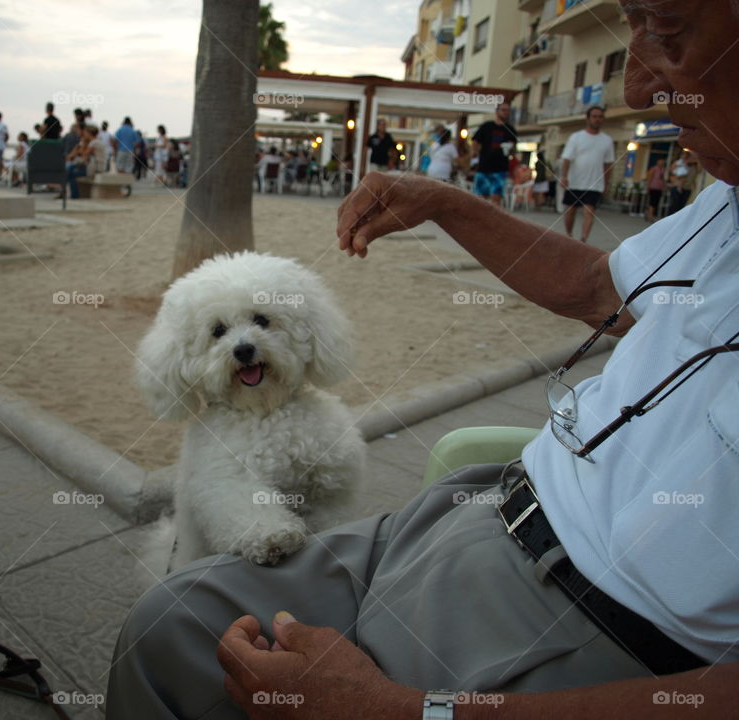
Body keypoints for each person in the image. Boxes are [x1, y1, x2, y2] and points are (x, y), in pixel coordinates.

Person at [106, 2, 739, 717]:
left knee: (195, 653)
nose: (637, 90)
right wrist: (445, 204)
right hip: (477, 507)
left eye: (669, 31)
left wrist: (409, 712)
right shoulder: (724, 203)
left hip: (598, 629)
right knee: (163, 623)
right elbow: (604, 289)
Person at [561, 106, 615, 243]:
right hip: (575, 181)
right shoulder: (576, 137)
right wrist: (564, 176)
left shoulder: (607, 140)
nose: (597, 119)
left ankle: (583, 239)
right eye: (594, 116)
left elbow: (608, 163)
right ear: (588, 118)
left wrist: (606, 183)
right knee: (570, 210)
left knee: (589, 211)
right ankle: (569, 235)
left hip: (595, 183)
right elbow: (566, 158)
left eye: (600, 117)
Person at [471, 102, 518, 207]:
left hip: (500, 169)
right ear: (497, 111)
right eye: (503, 110)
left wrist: (511, 148)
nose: (506, 113)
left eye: (508, 110)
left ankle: (492, 221)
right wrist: (478, 154)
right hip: (484, 167)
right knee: (479, 199)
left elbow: (514, 151)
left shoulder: (511, 129)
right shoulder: (486, 126)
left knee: (496, 199)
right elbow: (475, 143)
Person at [668, 150, 699, 215]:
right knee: (674, 204)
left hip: (687, 187)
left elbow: (694, 176)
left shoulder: (693, 166)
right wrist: (677, 182)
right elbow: (672, 174)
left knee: (681, 205)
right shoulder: (678, 163)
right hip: (677, 186)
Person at [645, 157, 668, 221]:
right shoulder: (654, 169)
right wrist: (648, 186)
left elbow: (663, 179)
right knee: (652, 201)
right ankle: (650, 215)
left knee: (656, 202)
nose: (661, 163)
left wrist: (664, 186)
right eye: (660, 162)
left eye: (662, 162)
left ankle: (649, 213)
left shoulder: (663, 170)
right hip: (653, 187)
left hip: (659, 188)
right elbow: (649, 178)